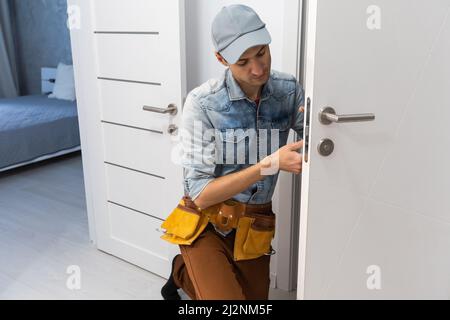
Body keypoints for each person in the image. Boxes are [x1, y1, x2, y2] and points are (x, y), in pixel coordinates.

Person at [161, 4, 305, 300]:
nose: (258, 68)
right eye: (243, 62)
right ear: (221, 58)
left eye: (262, 53)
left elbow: (317, 143)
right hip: (207, 221)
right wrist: (269, 164)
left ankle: (183, 272)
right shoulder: (202, 103)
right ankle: (187, 267)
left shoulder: (288, 91)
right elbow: (200, 193)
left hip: (255, 223)